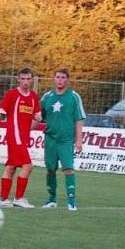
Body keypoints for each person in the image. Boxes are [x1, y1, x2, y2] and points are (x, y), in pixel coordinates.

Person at [0, 67, 41, 209]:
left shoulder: (34, 97)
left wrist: (38, 119)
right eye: (22, 79)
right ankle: (19, 198)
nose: (25, 81)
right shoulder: (12, 95)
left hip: (23, 138)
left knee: (11, 167)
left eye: (28, 79)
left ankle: (3, 199)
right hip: (14, 136)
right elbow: (0, 114)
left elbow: (34, 123)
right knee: (28, 166)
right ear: (18, 79)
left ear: (32, 80)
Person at [39, 67, 86, 211]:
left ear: (67, 80)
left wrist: (79, 140)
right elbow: (39, 117)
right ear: (54, 79)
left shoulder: (73, 96)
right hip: (50, 139)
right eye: (57, 77)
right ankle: (51, 199)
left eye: (63, 77)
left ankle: (71, 201)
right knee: (50, 169)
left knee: (68, 169)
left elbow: (78, 119)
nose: (60, 80)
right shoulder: (47, 97)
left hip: (66, 140)